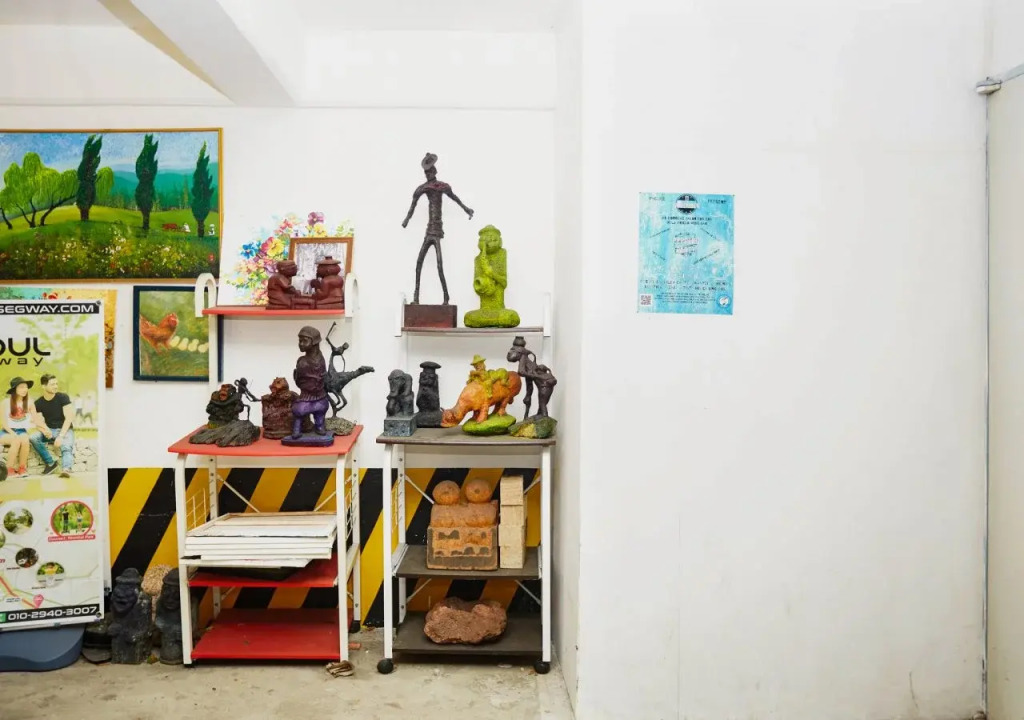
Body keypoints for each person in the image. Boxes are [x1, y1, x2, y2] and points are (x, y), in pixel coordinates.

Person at [1, 377, 47, 478]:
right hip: (6, 431)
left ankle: (22, 468)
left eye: (26, 387)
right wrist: (12, 433)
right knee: (16, 440)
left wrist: (45, 429)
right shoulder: (5, 403)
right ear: (15, 389)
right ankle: (8, 469)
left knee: (25, 440)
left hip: (21, 431)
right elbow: (4, 423)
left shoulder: (29, 403)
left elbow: (36, 419)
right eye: (21, 387)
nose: (25, 389)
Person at [31, 374, 75, 479]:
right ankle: (50, 463)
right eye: (52, 384)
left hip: (65, 429)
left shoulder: (63, 397)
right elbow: (37, 422)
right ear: (43, 386)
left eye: (56, 384)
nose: (55, 386)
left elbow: (69, 418)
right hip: (50, 430)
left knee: (66, 447)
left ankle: (66, 469)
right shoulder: (38, 403)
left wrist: (61, 436)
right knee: (33, 437)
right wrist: (44, 430)